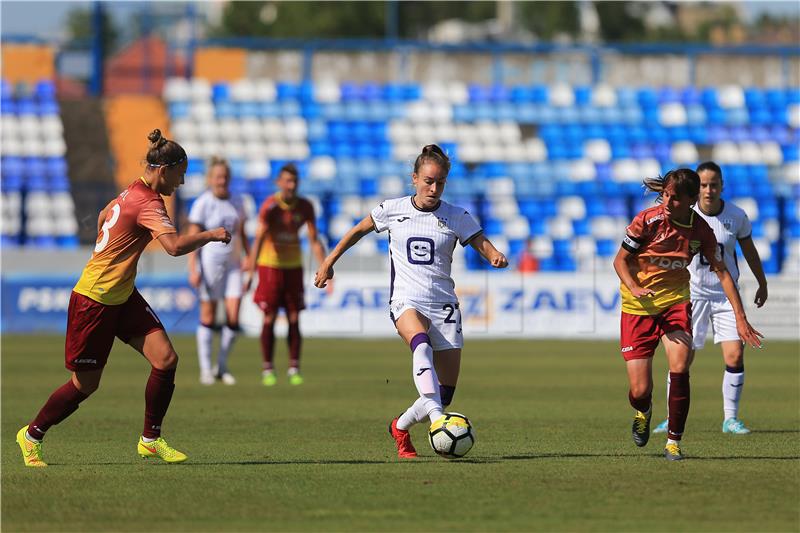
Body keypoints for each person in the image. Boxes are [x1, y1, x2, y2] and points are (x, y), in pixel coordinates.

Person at [15, 129, 230, 467]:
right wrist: (212, 235)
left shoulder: (132, 189)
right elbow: (173, 248)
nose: (182, 182)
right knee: (85, 385)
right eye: (180, 174)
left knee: (166, 359)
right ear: (164, 170)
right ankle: (31, 435)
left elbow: (104, 216)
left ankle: (150, 439)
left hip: (122, 295)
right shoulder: (148, 202)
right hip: (95, 300)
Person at [313, 144, 508, 458]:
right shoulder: (393, 209)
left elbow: (480, 242)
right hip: (406, 300)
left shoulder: (456, 216)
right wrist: (328, 261)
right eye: (428, 180)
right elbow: (357, 230)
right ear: (414, 178)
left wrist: (495, 255)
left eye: (440, 182)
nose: (434, 188)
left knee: (444, 393)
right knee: (420, 346)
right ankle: (437, 421)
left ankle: (400, 427)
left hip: (444, 306)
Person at [612, 168, 762, 461]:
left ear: (691, 200)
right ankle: (643, 410)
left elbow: (724, 273)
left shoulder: (700, 231)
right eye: (666, 195)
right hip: (637, 307)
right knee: (640, 390)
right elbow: (620, 260)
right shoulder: (647, 220)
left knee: (680, 366)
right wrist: (634, 286)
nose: (667, 202)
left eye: (676, 198)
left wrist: (741, 318)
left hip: (675, 303)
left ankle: (673, 442)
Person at [652, 161, 768, 435]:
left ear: (721, 186)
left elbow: (749, 252)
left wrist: (762, 282)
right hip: (691, 294)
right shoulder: (685, 215)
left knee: (735, 354)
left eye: (713, 184)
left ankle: (730, 419)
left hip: (724, 295)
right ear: (696, 189)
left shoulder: (737, 216)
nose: (708, 189)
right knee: (681, 360)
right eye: (703, 184)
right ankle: (672, 417)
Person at [245, 163, 325, 386]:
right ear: (279, 183)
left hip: (293, 267)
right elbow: (259, 237)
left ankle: (293, 368)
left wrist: (325, 266)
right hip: (269, 266)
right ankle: (267, 368)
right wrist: (251, 270)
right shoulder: (270, 206)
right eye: (287, 181)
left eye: (294, 181)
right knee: (269, 317)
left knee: (294, 317)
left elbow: (314, 239)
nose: (291, 186)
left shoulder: (305, 206)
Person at [186, 156, 249, 386]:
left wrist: (248, 257)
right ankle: (205, 369)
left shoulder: (239, 201)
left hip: (233, 265)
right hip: (209, 264)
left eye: (224, 177)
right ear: (210, 179)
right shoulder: (203, 203)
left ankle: (221, 366)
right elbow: (192, 237)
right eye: (217, 177)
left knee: (233, 316)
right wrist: (193, 267)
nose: (221, 181)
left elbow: (241, 233)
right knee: (208, 316)